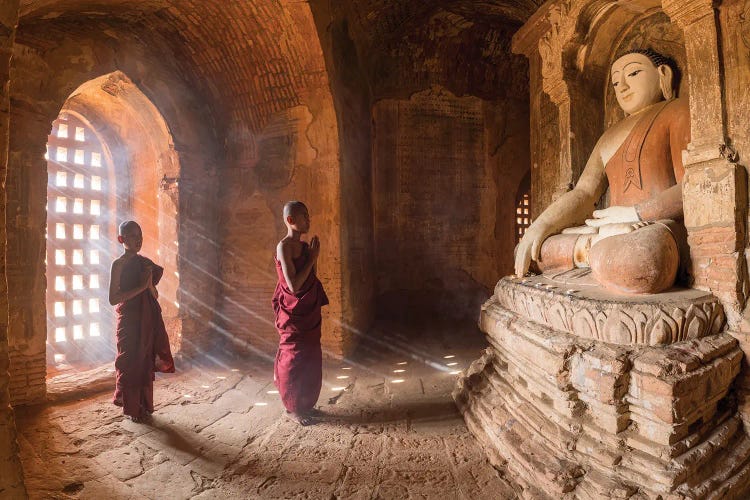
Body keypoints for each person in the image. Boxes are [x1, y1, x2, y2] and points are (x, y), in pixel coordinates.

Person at [514, 48, 690, 294]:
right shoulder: (608, 136)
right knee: (539, 249)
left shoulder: (677, 111)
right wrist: (540, 225)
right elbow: (585, 192)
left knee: (640, 258)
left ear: (663, 74)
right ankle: (596, 246)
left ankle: (594, 252)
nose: (623, 87)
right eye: (616, 82)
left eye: (634, 73)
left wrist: (635, 214)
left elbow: (692, 186)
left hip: (656, 227)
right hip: (612, 230)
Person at [109, 220, 175, 423]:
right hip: (129, 320)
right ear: (122, 239)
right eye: (132, 236)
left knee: (144, 362)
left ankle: (144, 406)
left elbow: (153, 294)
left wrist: (148, 286)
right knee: (129, 362)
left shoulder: (146, 264)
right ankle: (131, 408)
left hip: (146, 320)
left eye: (140, 236)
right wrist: (141, 286)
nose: (138, 240)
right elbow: (113, 298)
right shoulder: (118, 264)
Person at [273, 201, 329, 425]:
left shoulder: (306, 247)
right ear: (290, 220)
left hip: (308, 310)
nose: (309, 220)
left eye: (308, 215)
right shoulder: (284, 247)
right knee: (294, 357)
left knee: (311, 356)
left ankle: (306, 404)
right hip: (293, 312)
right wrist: (313, 258)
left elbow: (310, 279)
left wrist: (313, 256)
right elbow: (294, 286)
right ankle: (293, 407)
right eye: (304, 216)